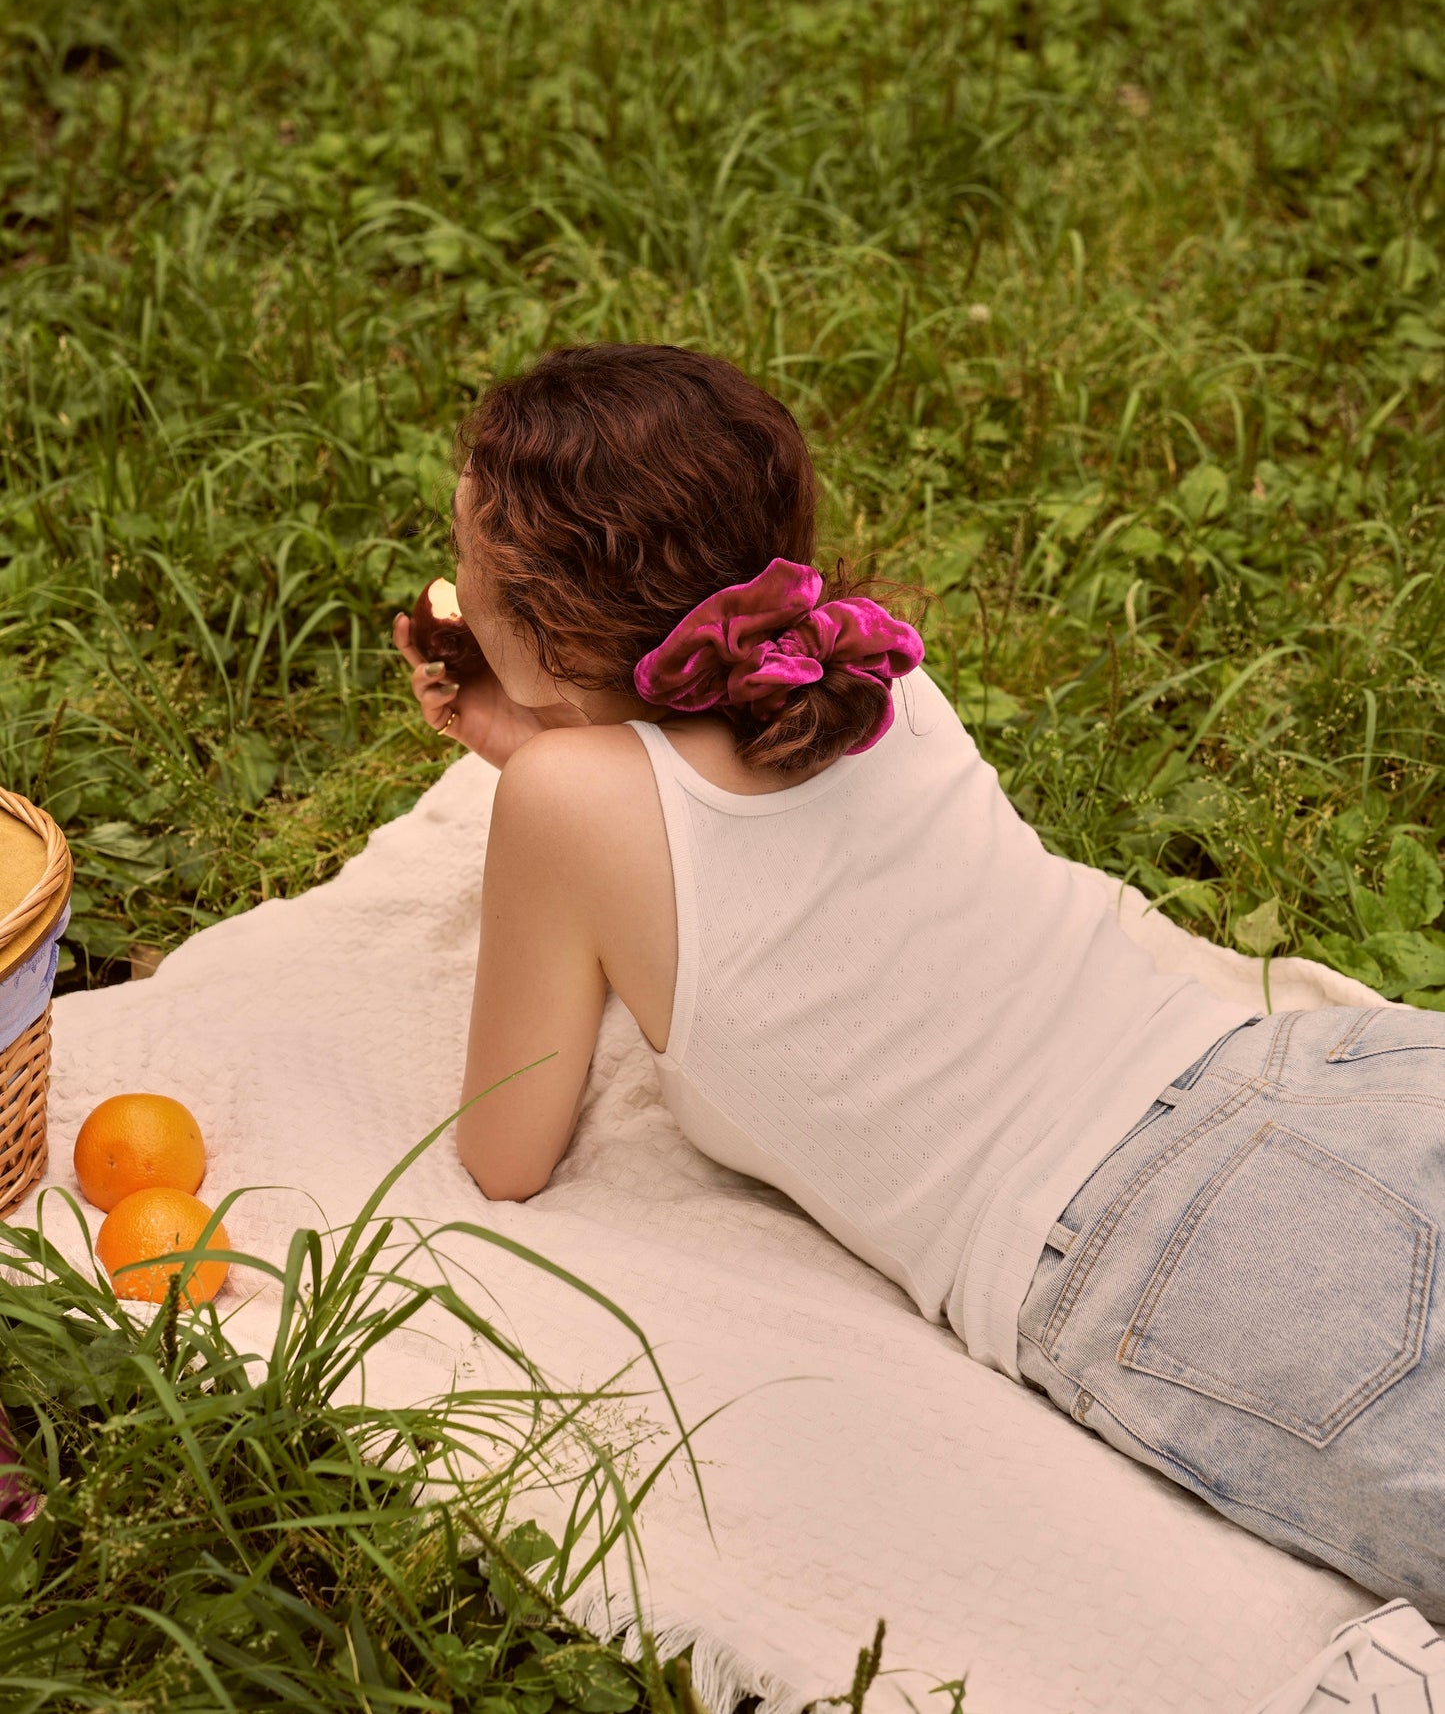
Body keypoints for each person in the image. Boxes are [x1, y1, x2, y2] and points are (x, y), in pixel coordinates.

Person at [392, 342, 1445, 1619]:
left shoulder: (569, 801)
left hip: (1137, 1248)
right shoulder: (853, 671)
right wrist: (532, 726)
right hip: (1295, 1074)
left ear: (544, 641)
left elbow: (506, 1150)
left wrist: (533, 758)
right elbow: (678, 777)